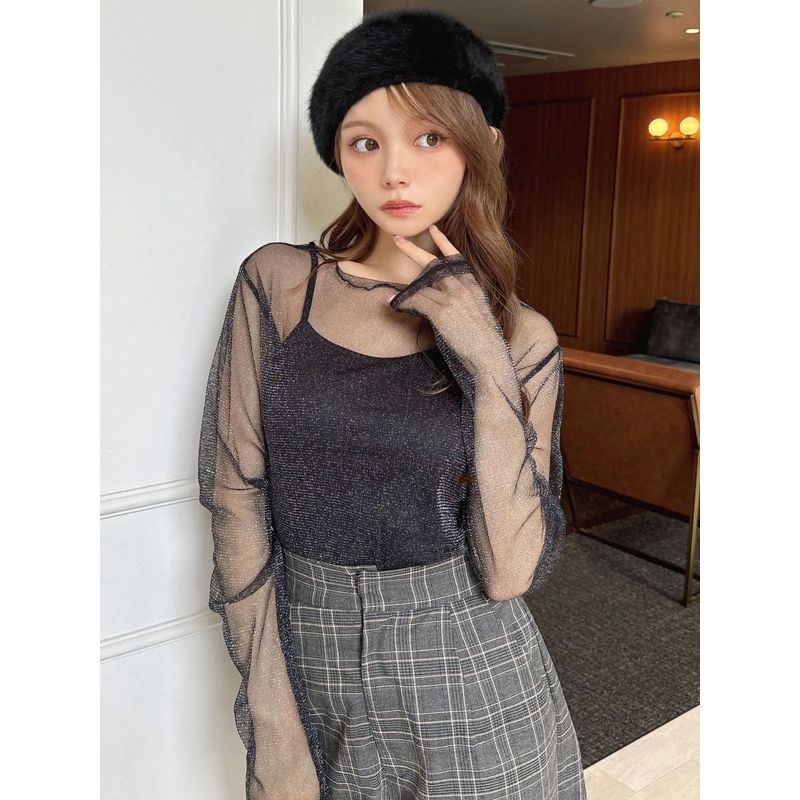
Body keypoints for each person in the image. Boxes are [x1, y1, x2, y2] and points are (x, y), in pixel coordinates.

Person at [198, 8, 587, 799]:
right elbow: (235, 495)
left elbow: (510, 571)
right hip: (309, 646)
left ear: (482, 146)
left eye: (428, 137)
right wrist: (272, 724)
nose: (395, 173)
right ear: (338, 154)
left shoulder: (523, 337)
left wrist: (482, 354)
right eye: (365, 142)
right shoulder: (280, 284)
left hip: (470, 666)